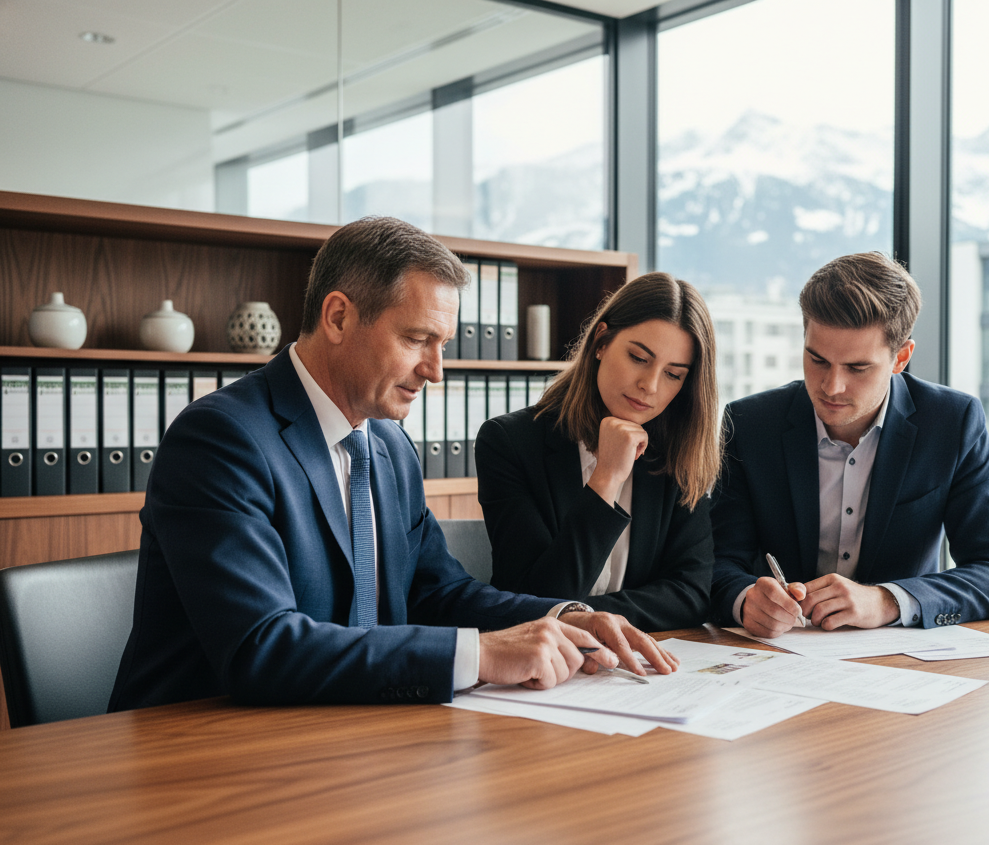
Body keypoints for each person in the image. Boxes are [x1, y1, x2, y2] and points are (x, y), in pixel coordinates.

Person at [109, 217, 677, 712]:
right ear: (338, 317)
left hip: (342, 732)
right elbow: (262, 647)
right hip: (197, 748)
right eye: (417, 339)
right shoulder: (221, 439)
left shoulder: (388, 445)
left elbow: (437, 592)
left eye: (442, 344)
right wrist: (478, 654)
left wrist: (563, 616)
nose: (435, 370)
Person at [710, 252, 989, 636]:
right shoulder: (750, 424)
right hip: (776, 651)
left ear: (901, 358)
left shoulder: (951, 423)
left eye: (857, 368)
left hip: (901, 659)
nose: (832, 387)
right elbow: (715, 562)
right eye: (817, 360)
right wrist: (745, 598)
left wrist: (886, 600)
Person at [475, 272, 720, 631]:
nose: (650, 386)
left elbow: (691, 596)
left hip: (645, 655)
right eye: (639, 357)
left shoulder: (678, 453)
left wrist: (586, 616)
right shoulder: (509, 442)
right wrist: (606, 478)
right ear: (601, 342)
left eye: (673, 374)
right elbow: (532, 597)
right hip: (542, 656)